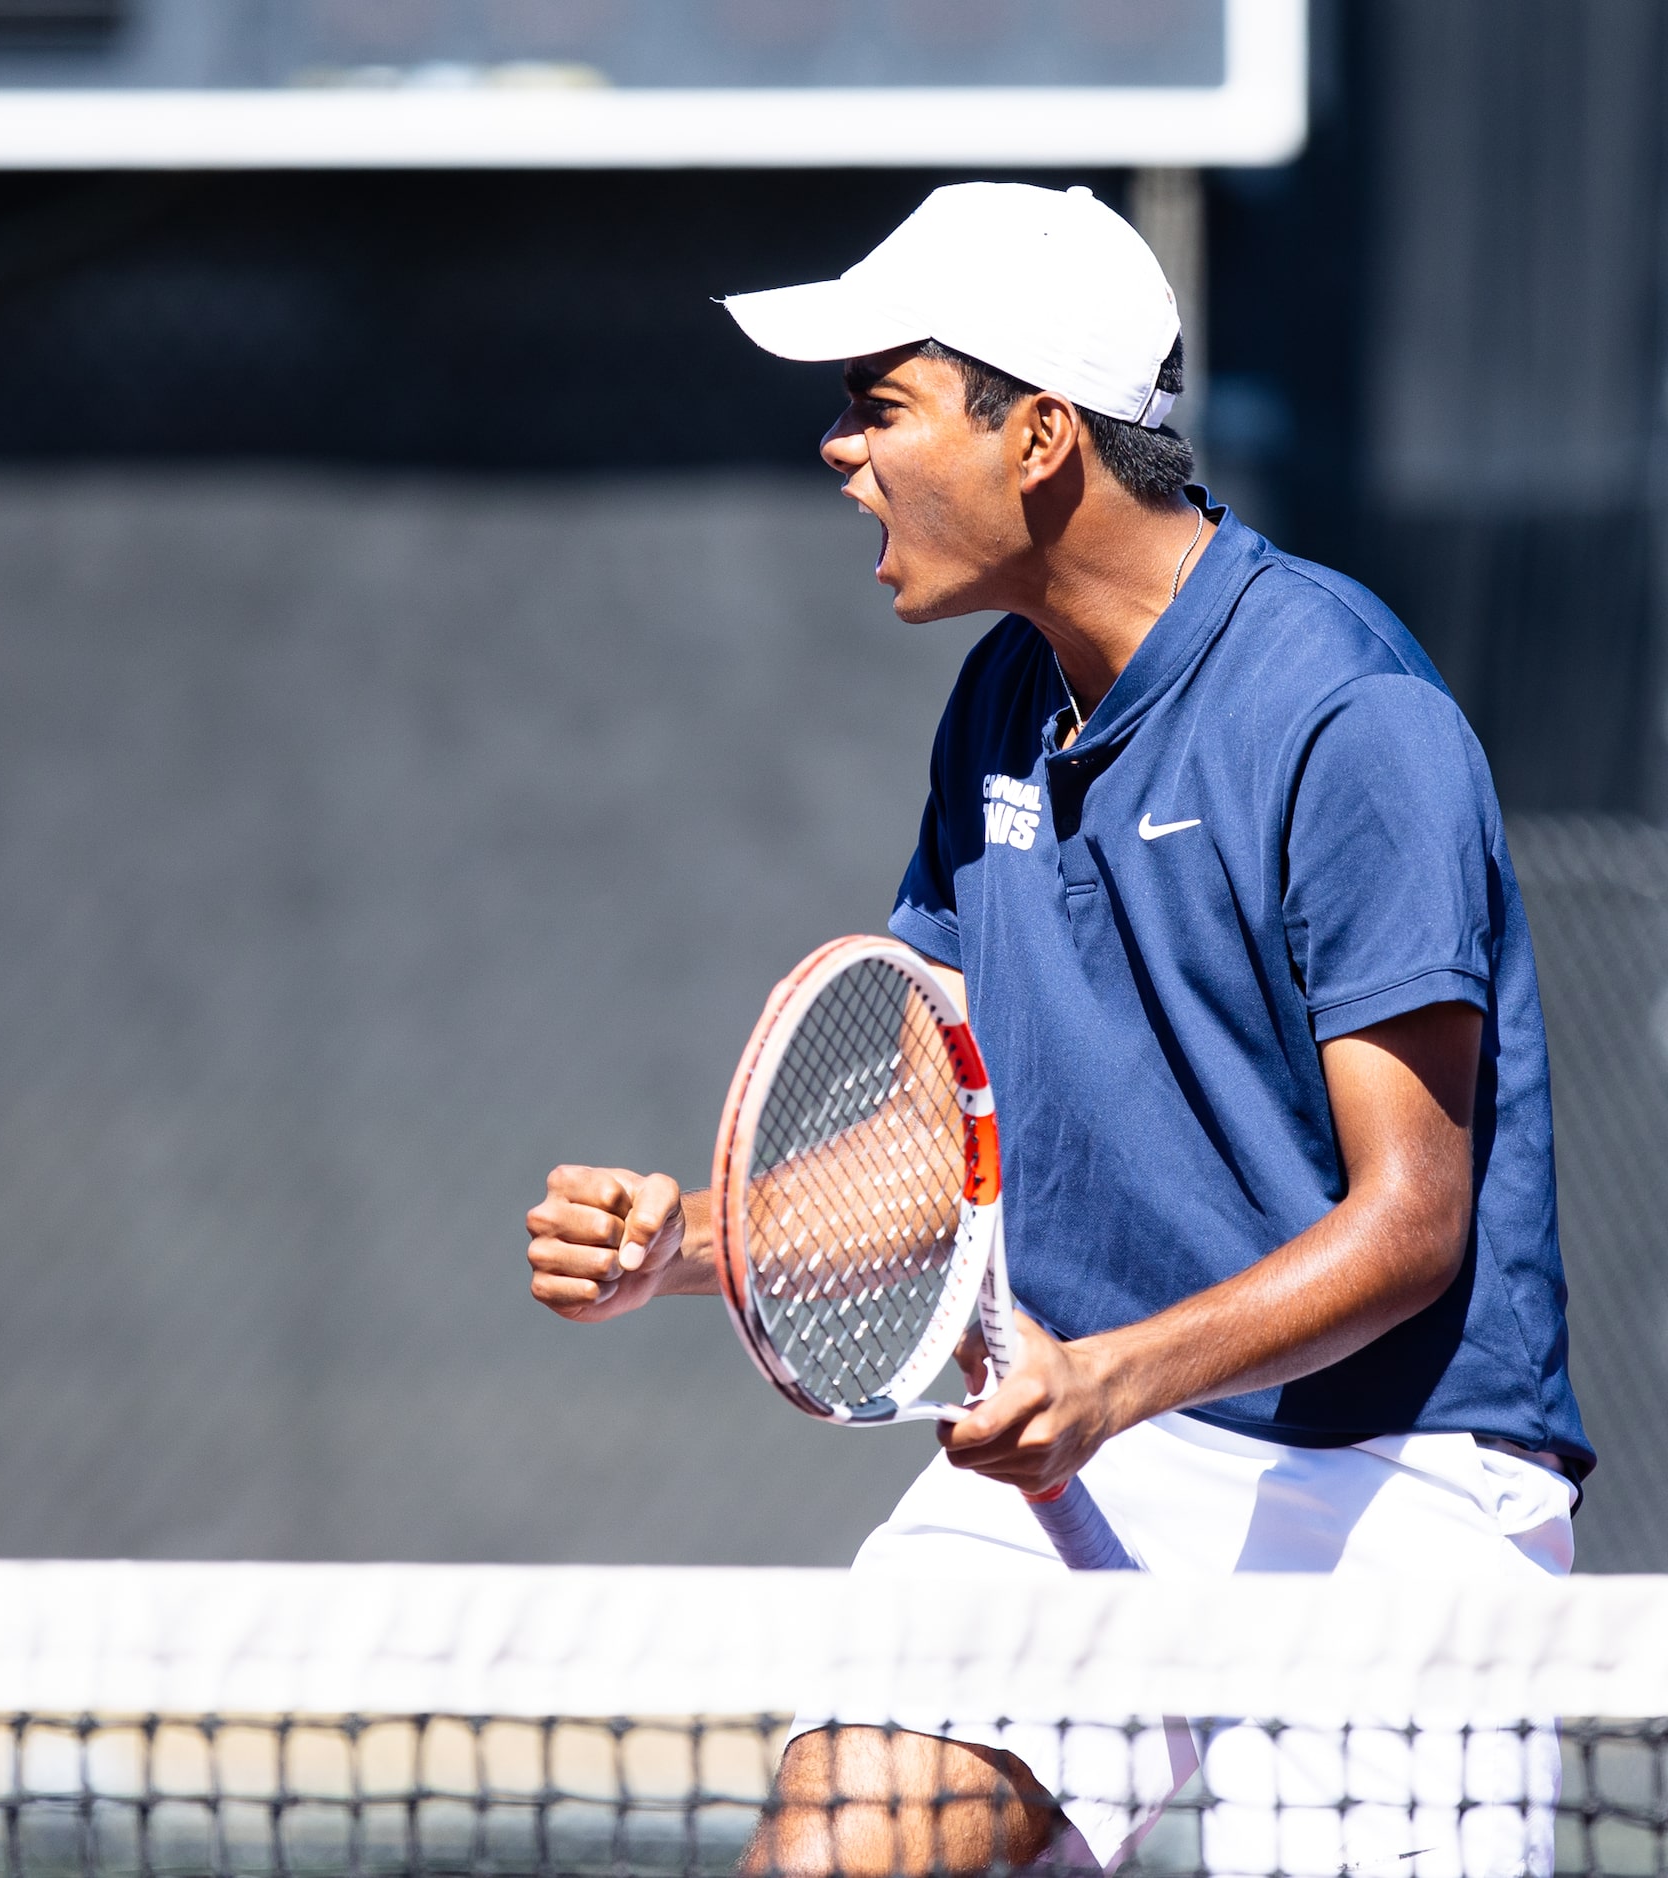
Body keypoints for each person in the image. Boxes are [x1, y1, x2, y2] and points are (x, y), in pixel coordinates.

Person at [525, 183, 1592, 1878]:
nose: (838, 451)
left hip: (1398, 1483)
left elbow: (1413, 1220)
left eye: (880, 405)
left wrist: (1113, 1376)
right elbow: (924, 1148)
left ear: (1035, 438)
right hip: (1086, 1462)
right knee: (834, 1854)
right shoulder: (1005, 705)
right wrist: (698, 1243)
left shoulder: (1346, 713)